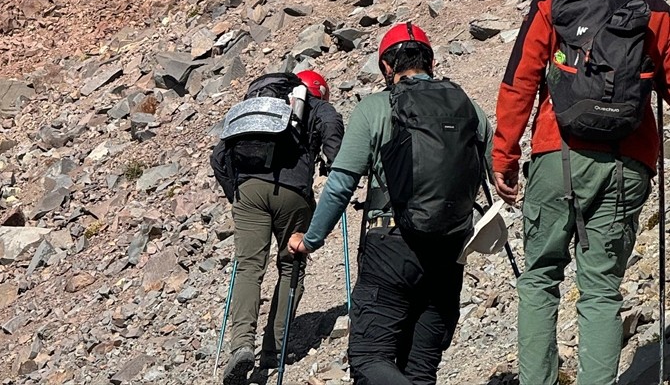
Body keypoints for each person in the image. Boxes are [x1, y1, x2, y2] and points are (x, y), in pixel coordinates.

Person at [493, 0, 670, 385]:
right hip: (627, 163)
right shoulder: (652, 8)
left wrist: (504, 157)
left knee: (540, 277)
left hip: (556, 154)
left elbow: (518, 83)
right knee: (602, 289)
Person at [288, 22, 493, 385]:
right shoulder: (469, 108)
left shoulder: (375, 108)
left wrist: (311, 240)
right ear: (430, 61)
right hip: (450, 251)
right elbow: (500, 173)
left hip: (391, 250)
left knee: (369, 358)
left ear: (386, 67)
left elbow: (340, 186)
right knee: (420, 371)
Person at [211, 68, 344, 384]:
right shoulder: (317, 106)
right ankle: (273, 350)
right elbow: (332, 130)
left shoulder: (259, 107)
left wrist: (237, 194)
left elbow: (218, 157)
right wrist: (335, 164)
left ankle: (241, 346)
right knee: (290, 265)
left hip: (248, 191)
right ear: (319, 91)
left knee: (247, 268)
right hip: (293, 194)